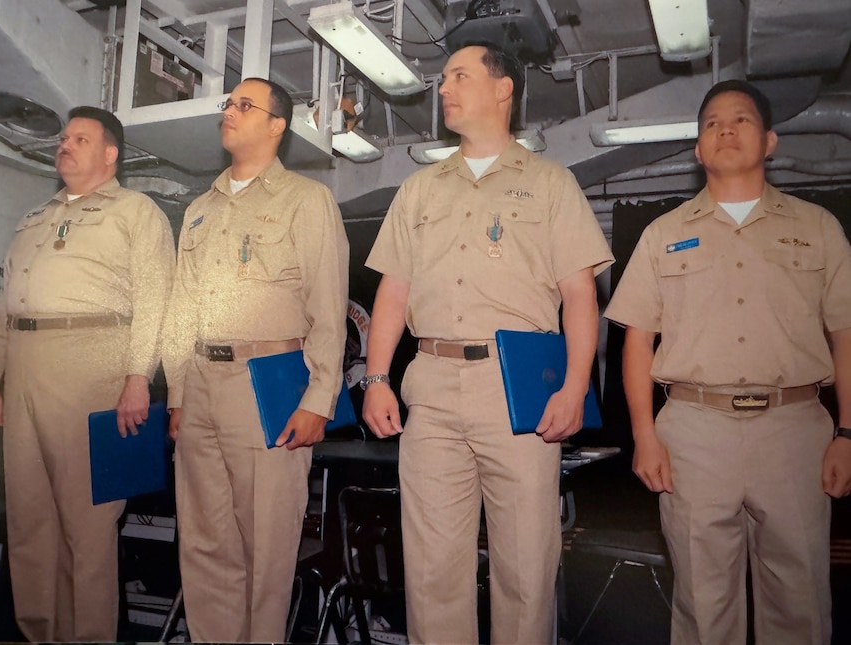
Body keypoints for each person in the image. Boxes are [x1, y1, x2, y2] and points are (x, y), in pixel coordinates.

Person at [362, 44, 614, 644]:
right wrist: (375, 380)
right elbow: (393, 295)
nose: (443, 87)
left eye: (459, 76)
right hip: (431, 386)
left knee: (526, 565)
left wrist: (577, 387)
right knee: (431, 568)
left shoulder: (551, 183)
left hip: (517, 392)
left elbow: (581, 296)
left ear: (504, 90)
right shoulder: (418, 190)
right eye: (443, 78)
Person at [604, 79, 851, 645]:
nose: (725, 129)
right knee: (701, 602)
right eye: (712, 122)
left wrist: (848, 433)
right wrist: (644, 434)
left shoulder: (818, 230)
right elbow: (636, 343)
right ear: (697, 149)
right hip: (693, 434)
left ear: (770, 142)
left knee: (800, 602)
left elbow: (845, 336)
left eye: (740, 119)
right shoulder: (662, 236)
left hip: (795, 432)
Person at [161, 77, 349, 642]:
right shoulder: (197, 210)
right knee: (204, 543)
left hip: (266, 385)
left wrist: (320, 397)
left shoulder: (306, 200)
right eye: (228, 104)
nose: (231, 111)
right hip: (199, 387)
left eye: (246, 105)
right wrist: (176, 393)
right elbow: (178, 311)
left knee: (266, 546)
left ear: (276, 126)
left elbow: (327, 308)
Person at [0, 106, 175, 641]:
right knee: (29, 523)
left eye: (80, 138)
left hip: (90, 366)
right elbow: (5, 303)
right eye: (64, 138)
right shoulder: (34, 218)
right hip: (24, 367)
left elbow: (156, 299)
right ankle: (39, 634)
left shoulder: (135, 212)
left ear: (109, 154)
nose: (64, 145)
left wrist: (138, 376)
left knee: (87, 529)